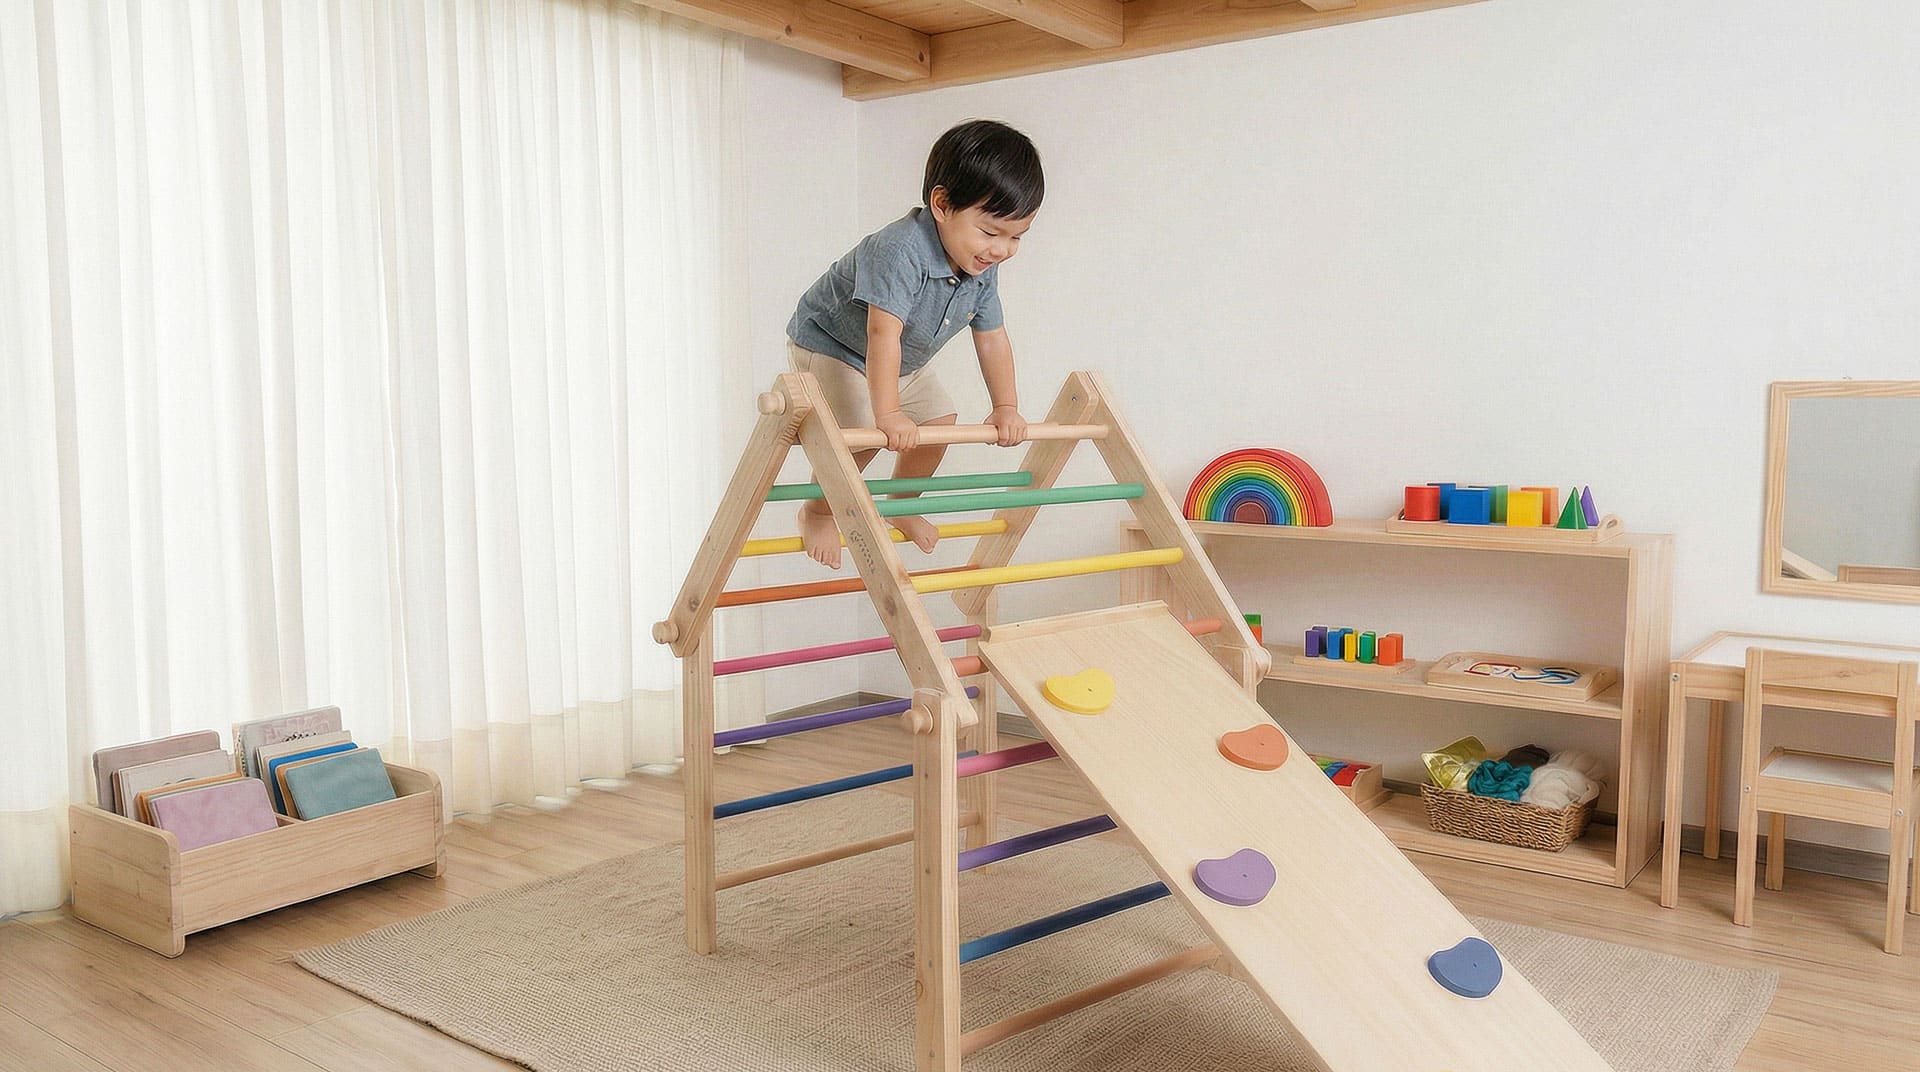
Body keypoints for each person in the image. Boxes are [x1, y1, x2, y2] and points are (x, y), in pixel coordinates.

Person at [785, 119, 1042, 568]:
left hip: (901, 359)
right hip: (833, 346)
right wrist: (888, 414)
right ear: (941, 205)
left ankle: (901, 504)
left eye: (1015, 236)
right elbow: (881, 333)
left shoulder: (980, 264)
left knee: (939, 423)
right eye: (990, 232)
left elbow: (992, 337)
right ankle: (818, 510)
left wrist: (1006, 406)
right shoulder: (899, 250)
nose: (1002, 249)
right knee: (864, 434)